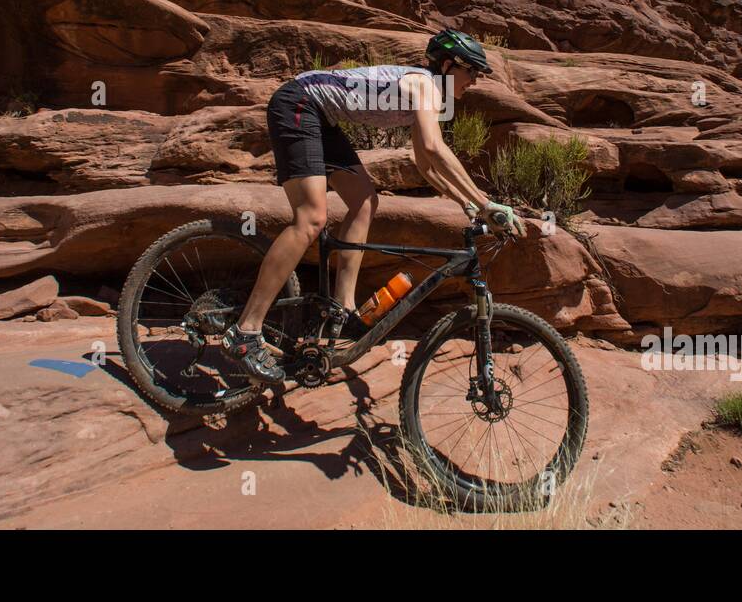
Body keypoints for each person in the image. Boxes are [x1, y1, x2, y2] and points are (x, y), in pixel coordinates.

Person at [221, 28, 526, 382]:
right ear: (447, 65)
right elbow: (433, 148)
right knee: (311, 218)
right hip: (298, 104)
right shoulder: (425, 84)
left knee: (365, 201)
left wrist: (465, 203)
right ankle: (245, 333)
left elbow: (423, 164)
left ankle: (342, 307)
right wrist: (486, 203)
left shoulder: (431, 96)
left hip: (322, 118)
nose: (474, 81)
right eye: (471, 71)